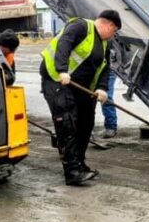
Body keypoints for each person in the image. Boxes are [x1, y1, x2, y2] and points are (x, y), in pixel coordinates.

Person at [40, 10, 121, 185]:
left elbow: (105, 69)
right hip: (57, 80)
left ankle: (80, 164)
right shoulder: (81, 26)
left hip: (81, 88)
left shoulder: (105, 45)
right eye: (114, 31)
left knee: (86, 123)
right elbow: (64, 43)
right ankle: (72, 172)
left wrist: (102, 88)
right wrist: (62, 69)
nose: (113, 35)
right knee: (67, 124)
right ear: (109, 25)